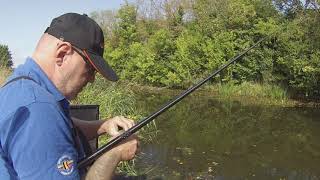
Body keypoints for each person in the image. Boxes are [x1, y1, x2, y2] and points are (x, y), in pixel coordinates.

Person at [0, 13, 139, 180]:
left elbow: (64, 126)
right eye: (90, 69)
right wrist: (115, 153)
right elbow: (48, 125)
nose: (92, 80)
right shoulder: (39, 110)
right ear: (62, 53)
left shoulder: (25, 83)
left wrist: (103, 125)